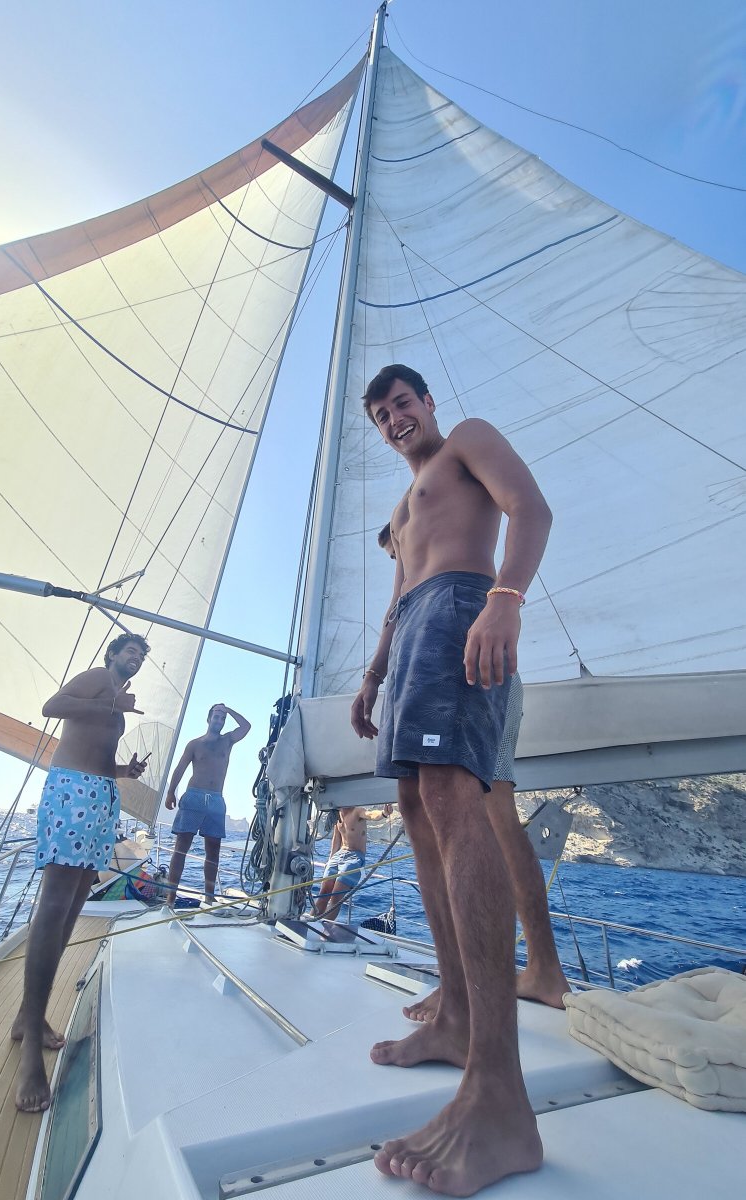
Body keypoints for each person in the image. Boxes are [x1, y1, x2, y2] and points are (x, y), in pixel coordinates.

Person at [352, 364, 552, 1195]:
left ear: (427, 403)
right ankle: (458, 1015)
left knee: (451, 795)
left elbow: (529, 508)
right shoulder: (402, 509)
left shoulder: (465, 441)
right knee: (413, 803)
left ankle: (500, 1095)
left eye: (403, 402)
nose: (395, 418)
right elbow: (398, 599)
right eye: (381, 413)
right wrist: (372, 676)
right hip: (416, 633)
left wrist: (505, 595)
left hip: (468, 603)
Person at [377, 523, 568, 1017]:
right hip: (497, 671)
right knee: (498, 818)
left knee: (467, 820)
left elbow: (395, 609)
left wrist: (374, 674)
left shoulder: (423, 527)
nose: (399, 560)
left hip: (472, 665)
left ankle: (462, 988)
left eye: (394, 550)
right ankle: (543, 968)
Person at [14, 632, 150, 1113]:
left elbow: (96, 755)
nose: (135, 657)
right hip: (71, 793)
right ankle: (31, 1048)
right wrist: (112, 700)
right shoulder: (99, 681)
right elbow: (53, 707)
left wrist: (125, 772)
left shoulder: (116, 707)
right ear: (112, 655)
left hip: (98, 795)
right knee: (54, 908)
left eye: (141, 655)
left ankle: (23, 1019)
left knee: (72, 908)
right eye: (130, 651)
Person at [164, 704, 251, 906]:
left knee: (213, 851)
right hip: (194, 796)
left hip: (216, 800)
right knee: (180, 849)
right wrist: (171, 792)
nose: (219, 721)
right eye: (216, 716)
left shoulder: (227, 740)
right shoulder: (195, 744)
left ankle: (209, 897)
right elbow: (180, 768)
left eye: (222, 718)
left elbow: (246, 726)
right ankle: (170, 898)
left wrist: (228, 709)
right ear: (208, 718)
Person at [312, 803, 393, 922]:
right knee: (323, 894)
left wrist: (384, 813)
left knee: (336, 898)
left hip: (354, 857)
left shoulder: (357, 811)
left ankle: (324, 932)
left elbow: (371, 815)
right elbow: (336, 840)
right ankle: (307, 924)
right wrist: (330, 859)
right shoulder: (337, 814)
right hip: (338, 855)